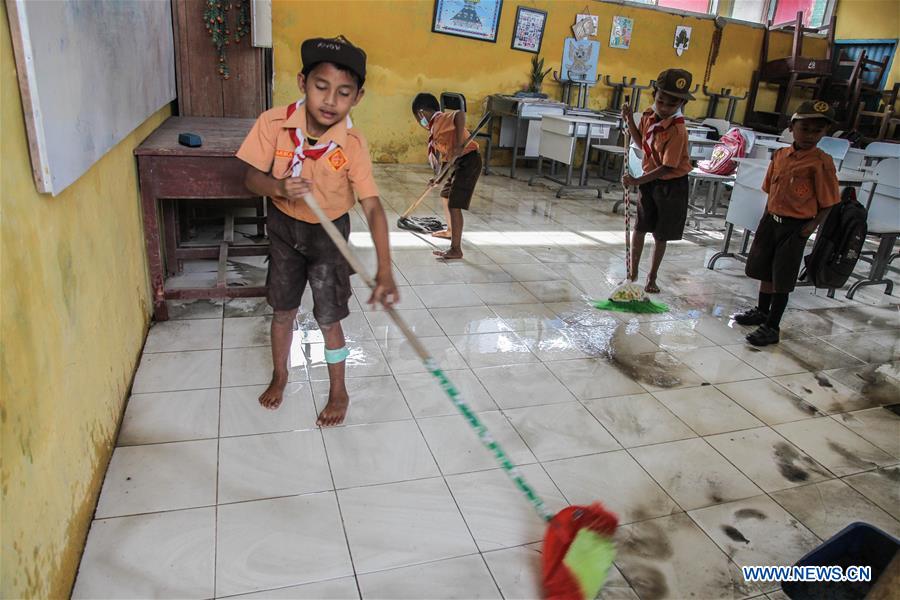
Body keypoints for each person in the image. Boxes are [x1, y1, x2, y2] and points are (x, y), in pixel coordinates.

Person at [237, 35, 397, 425]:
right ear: (302, 83)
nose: (330, 100)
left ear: (357, 98)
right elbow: (250, 178)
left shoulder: (353, 144)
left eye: (343, 93)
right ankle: (280, 374)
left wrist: (385, 268)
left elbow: (372, 206)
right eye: (321, 87)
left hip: (330, 237)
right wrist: (278, 187)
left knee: (329, 316)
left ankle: (338, 390)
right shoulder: (273, 124)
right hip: (284, 228)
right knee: (283, 310)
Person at [733, 100, 840, 346]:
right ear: (792, 127)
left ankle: (772, 326)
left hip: (795, 227)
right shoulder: (780, 156)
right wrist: (767, 217)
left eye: (817, 131)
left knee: (782, 276)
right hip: (772, 221)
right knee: (764, 268)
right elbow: (770, 189)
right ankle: (762, 311)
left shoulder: (821, 162)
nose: (810, 135)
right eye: (805, 129)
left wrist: (810, 228)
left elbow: (829, 202)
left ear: (825, 132)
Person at [621, 69, 695, 293]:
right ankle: (632, 274)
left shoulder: (677, 130)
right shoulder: (648, 116)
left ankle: (651, 278)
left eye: (671, 105)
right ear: (655, 95)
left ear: (681, 103)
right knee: (640, 227)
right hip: (649, 180)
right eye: (660, 101)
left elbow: (667, 167)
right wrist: (629, 120)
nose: (664, 108)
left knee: (660, 234)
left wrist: (637, 180)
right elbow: (641, 143)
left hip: (671, 185)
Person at [412, 93, 483, 260]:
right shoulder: (435, 130)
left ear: (421, 113)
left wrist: (458, 144)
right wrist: (439, 177)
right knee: (445, 194)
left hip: (469, 161)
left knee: (454, 204)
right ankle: (450, 230)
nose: (420, 123)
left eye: (417, 119)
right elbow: (447, 159)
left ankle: (456, 249)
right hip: (458, 163)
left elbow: (459, 115)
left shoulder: (440, 120)